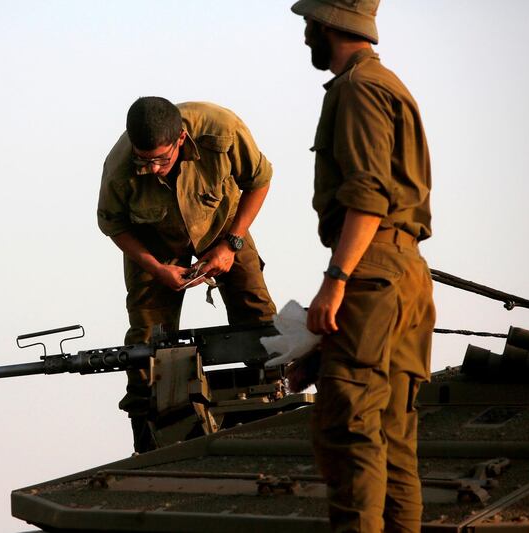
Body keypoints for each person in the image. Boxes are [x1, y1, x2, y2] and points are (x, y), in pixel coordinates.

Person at [290, 1, 436, 531]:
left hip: (372, 269)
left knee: (349, 430)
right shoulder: (388, 83)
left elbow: (368, 195)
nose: (305, 35)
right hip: (406, 273)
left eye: (309, 25)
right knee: (393, 437)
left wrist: (336, 280)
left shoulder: (357, 90)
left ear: (328, 26)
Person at [97, 97, 277, 452]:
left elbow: (260, 180)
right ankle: (148, 438)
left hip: (221, 223)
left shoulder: (222, 131)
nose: (154, 169)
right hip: (152, 240)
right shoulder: (119, 168)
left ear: (181, 139)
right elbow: (112, 226)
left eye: (161, 159)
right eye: (144, 160)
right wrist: (158, 269)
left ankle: (272, 406)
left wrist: (231, 245)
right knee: (145, 339)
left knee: (257, 311)